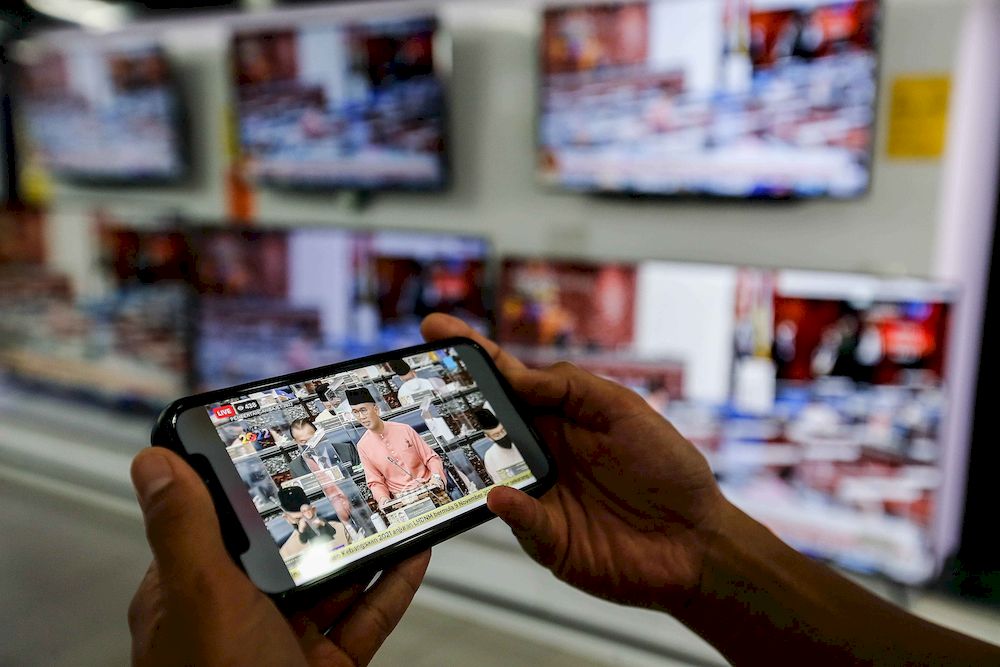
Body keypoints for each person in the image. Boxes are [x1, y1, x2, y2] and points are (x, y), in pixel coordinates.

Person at [129, 314, 1000, 665]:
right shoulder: (358, 449)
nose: (361, 424)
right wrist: (702, 552)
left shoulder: (399, 437)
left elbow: (427, 472)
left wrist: (701, 554)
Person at [347, 387, 446, 510]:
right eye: (355, 412)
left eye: (363, 410)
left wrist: (436, 478)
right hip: (402, 500)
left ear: (376, 410)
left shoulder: (404, 429)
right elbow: (375, 482)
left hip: (430, 487)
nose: (361, 417)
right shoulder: (363, 446)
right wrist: (383, 499)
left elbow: (432, 458)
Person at [472, 407, 528, 483]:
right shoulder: (490, 456)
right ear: (489, 437)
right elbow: (499, 483)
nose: (502, 436)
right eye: (496, 435)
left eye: (503, 431)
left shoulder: (523, 442)